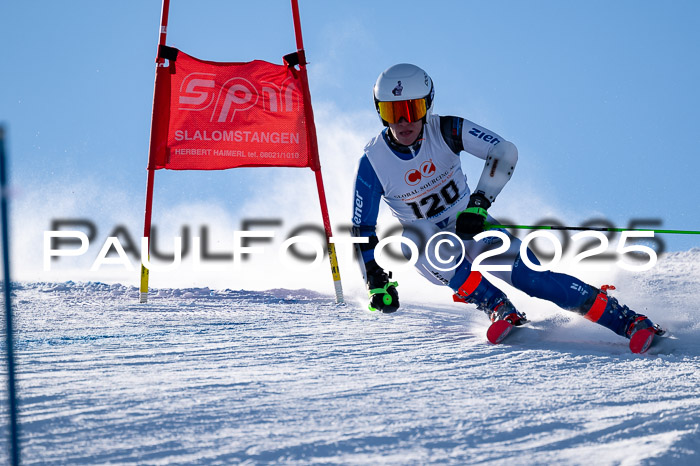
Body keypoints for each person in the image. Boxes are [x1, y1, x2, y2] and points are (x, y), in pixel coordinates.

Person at [350, 63, 663, 346]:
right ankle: (496, 306)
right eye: (393, 112)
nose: (404, 122)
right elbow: (362, 227)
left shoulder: (446, 129)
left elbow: (504, 150)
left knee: (534, 280)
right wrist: (375, 279)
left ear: (427, 105)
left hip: (471, 227)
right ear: (380, 112)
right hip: (431, 250)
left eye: (412, 108)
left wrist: (478, 204)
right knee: (415, 237)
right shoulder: (374, 161)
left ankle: (627, 321)